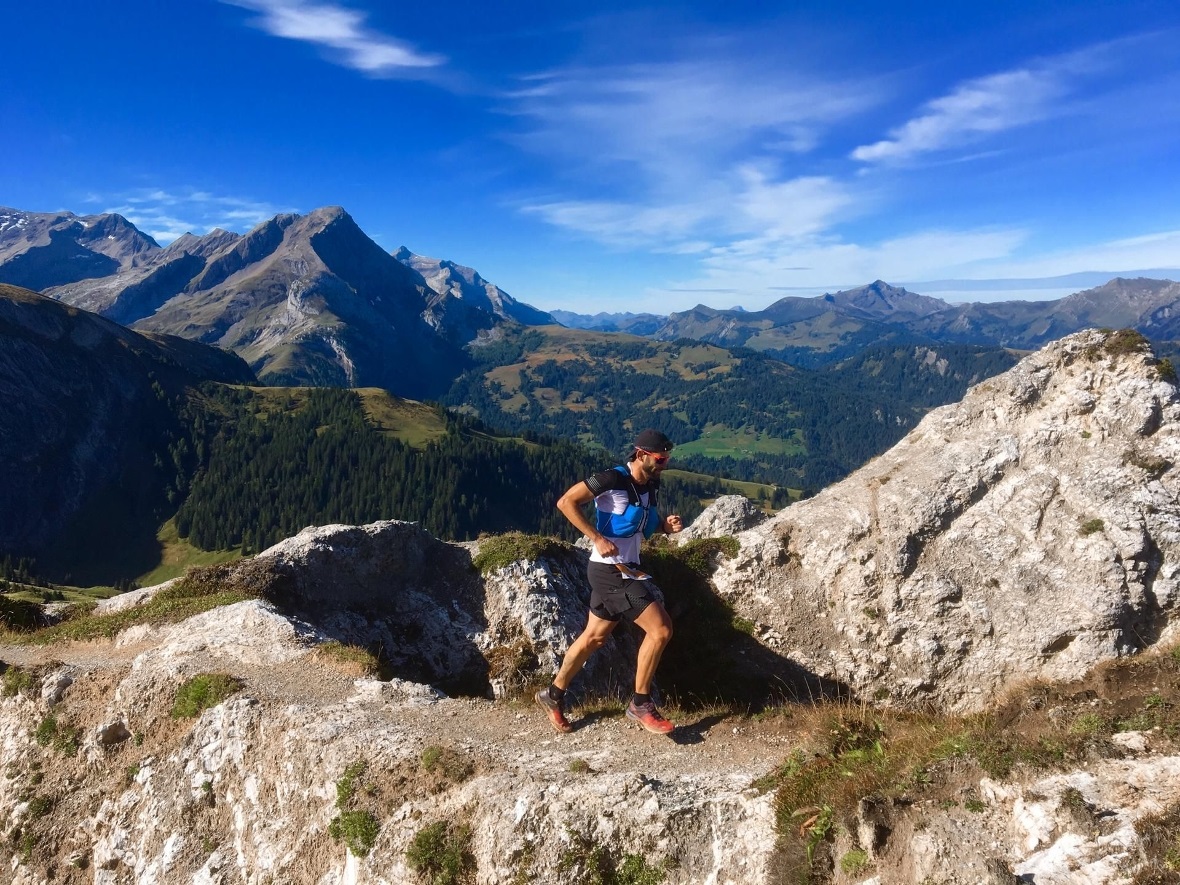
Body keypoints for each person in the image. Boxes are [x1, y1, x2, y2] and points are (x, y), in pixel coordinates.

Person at [536, 428, 684, 734]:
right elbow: (566, 502)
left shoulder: (651, 484)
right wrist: (596, 537)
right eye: (660, 458)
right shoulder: (611, 479)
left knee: (594, 638)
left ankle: (552, 695)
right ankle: (640, 704)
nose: (664, 463)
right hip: (610, 570)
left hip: (627, 568)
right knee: (661, 629)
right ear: (642, 454)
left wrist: (665, 527)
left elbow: (640, 523)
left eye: (667, 458)